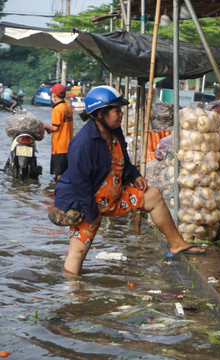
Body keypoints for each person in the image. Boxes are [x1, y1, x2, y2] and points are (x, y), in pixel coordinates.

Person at [52, 85, 205, 275]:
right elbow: (79, 184)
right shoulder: (83, 143)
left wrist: (135, 175)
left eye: (120, 110)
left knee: (154, 196)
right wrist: (92, 216)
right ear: (100, 114)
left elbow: (123, 160)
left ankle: (176, 244)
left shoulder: (115, 131)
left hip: (114, 198)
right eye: (116, 110)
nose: (121, 114)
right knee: (78, 251)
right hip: (87, 204)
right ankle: (74, 295)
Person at [43, 84, 73, 181]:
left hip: (59, 147)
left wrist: (43, 126)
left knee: (59, 174)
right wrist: (50, 129)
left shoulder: (57, 109)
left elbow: (56, 128)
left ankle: (58, 193)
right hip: (68, 146)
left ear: (54, 95)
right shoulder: (67, 108)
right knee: (66, 173)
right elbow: (63, 126)